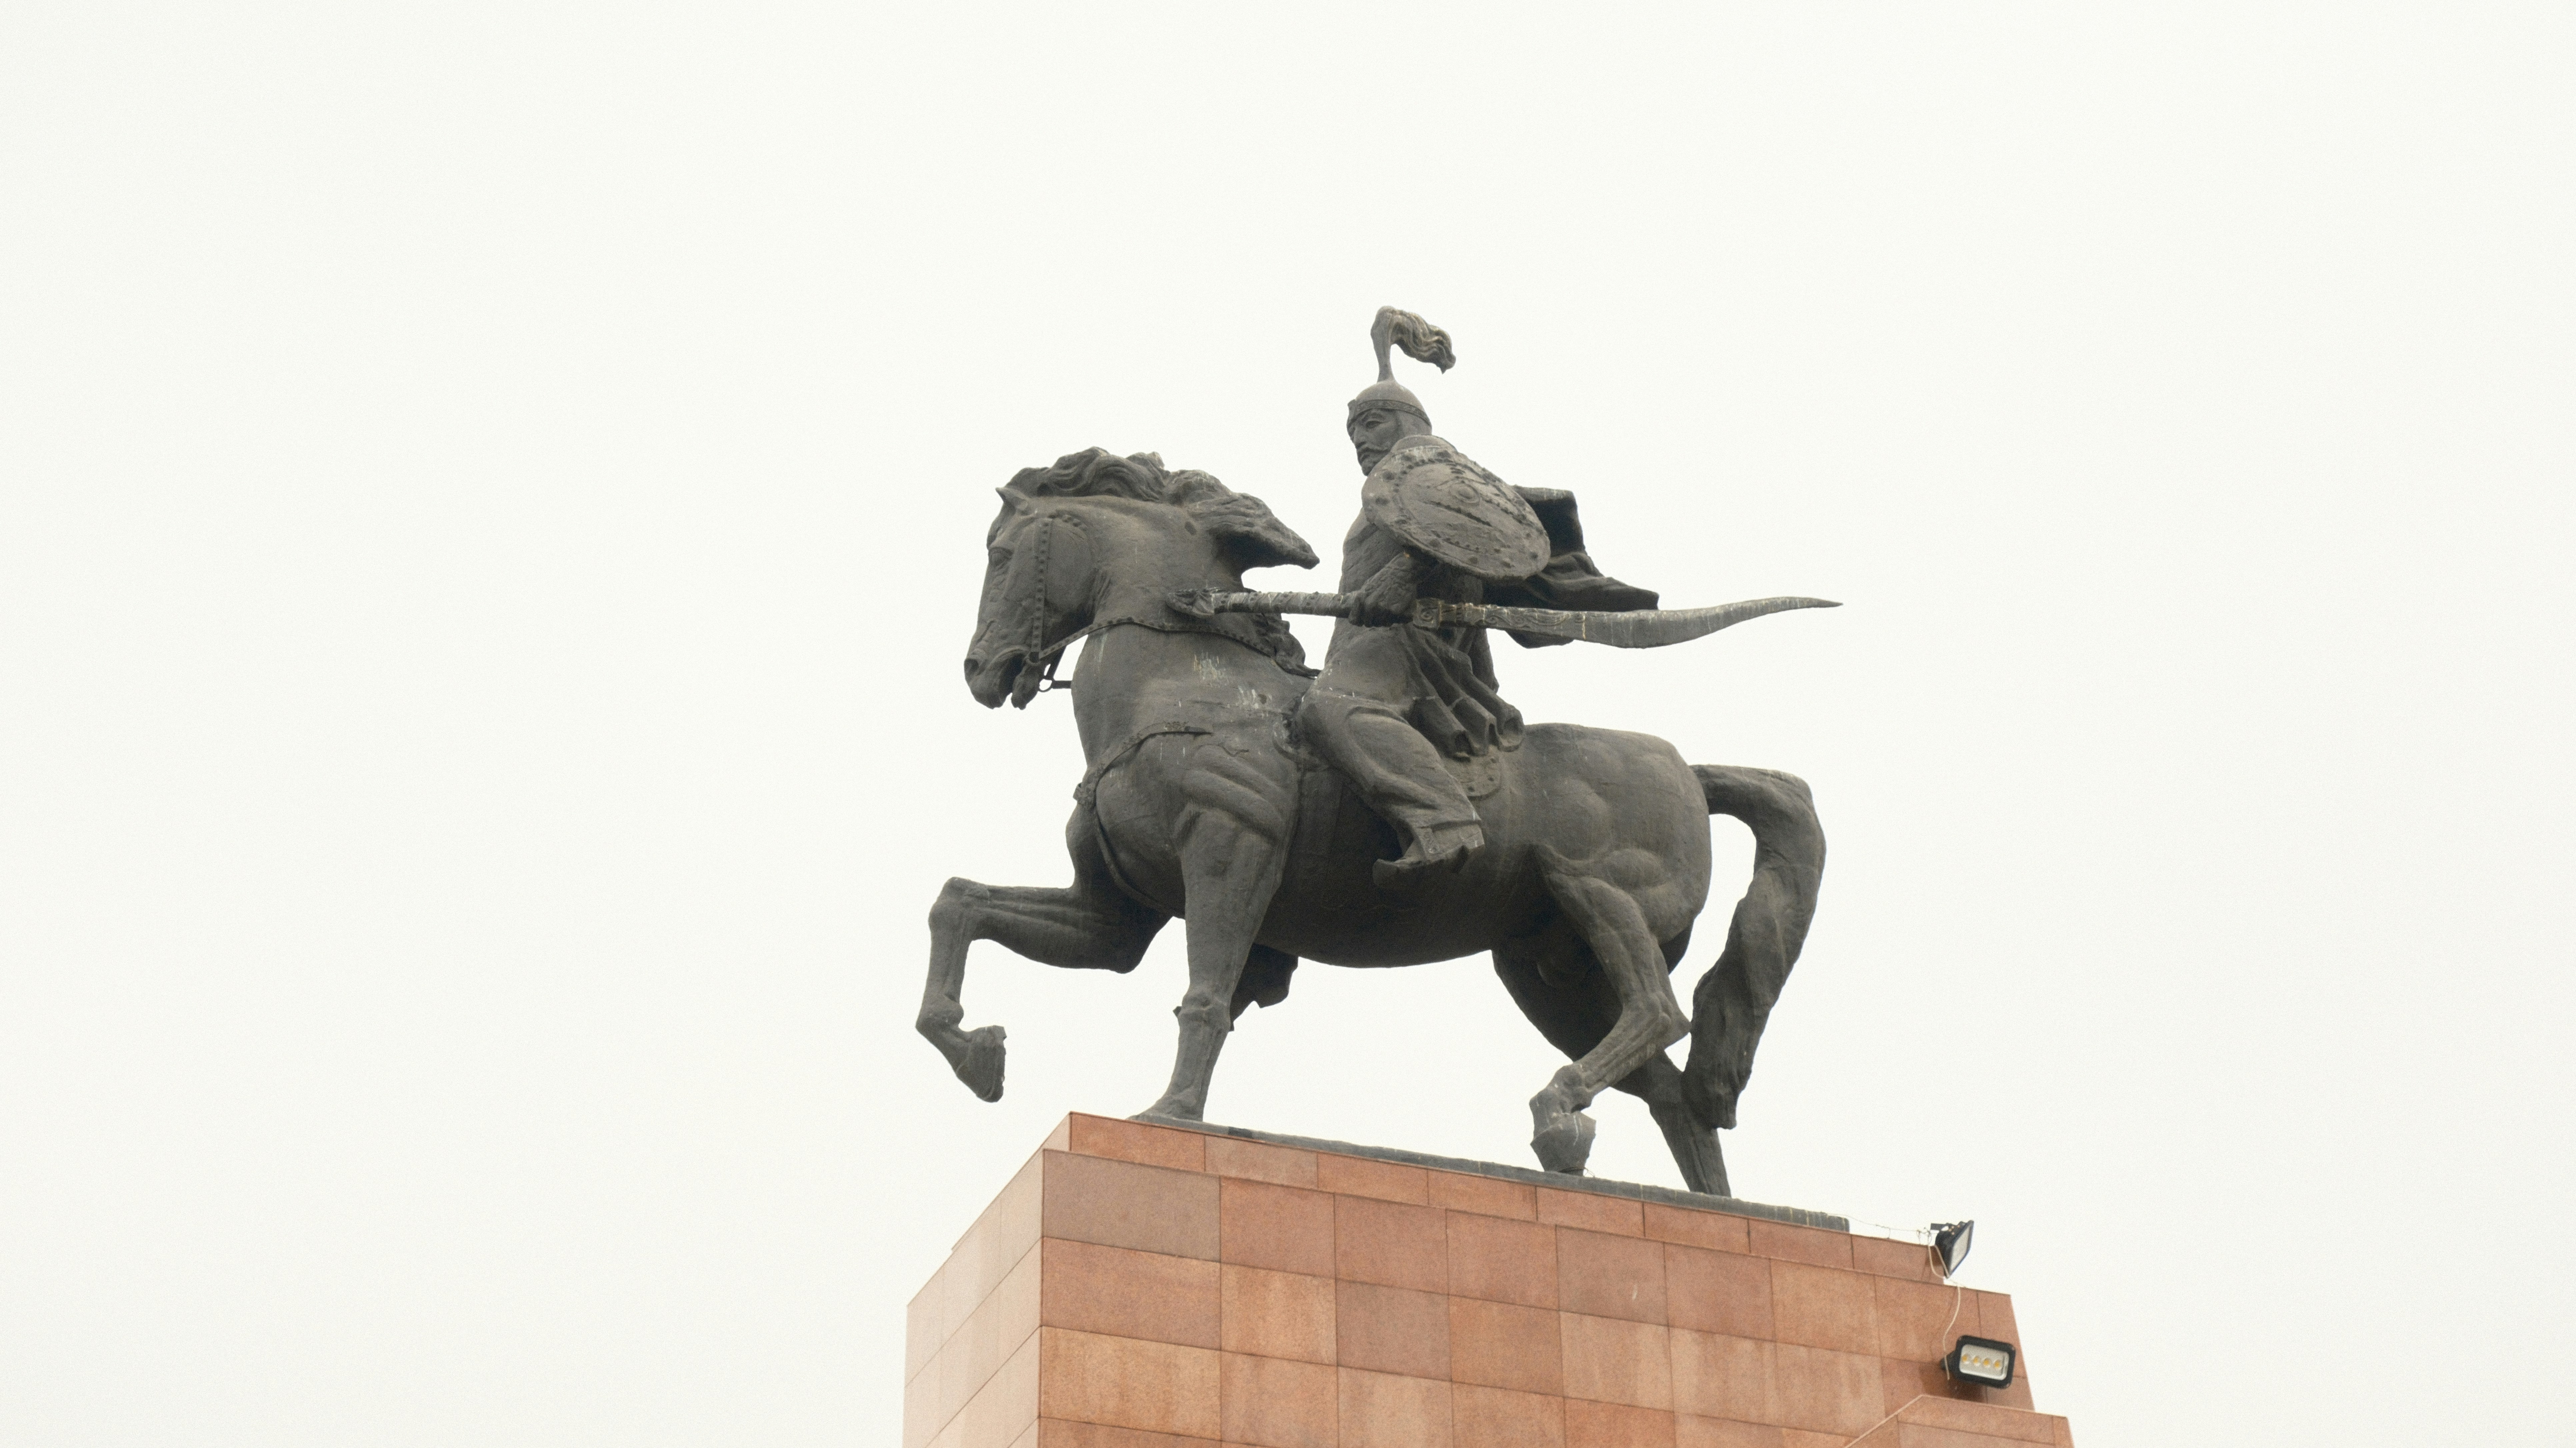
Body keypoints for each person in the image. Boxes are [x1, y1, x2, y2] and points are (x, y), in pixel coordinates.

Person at [1297, 308, 1658, 884]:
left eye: (1371, 424)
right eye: (1353, 433)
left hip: (1411, 652)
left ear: (1406, 421)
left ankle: (1443, 822)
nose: (1360, 440)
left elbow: (1476, 532)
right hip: (1370, 650)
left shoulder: (1432, 466)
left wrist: (1405, 574)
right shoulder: (1393, 491)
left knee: (1332, 708)